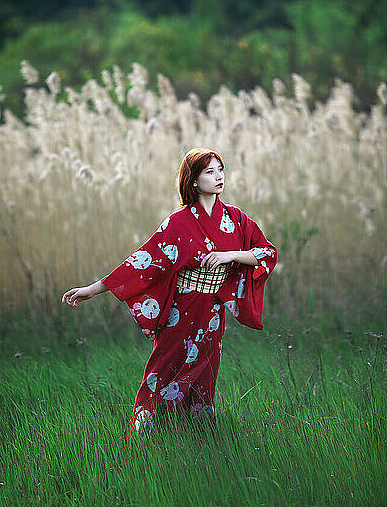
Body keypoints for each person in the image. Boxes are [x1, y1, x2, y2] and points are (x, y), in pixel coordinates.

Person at [62, 148, 277, 447]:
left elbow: (266, 253)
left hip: (213, 312)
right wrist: (93, 289)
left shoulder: (236, 219)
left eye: (220, 170)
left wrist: (229, 254)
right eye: (210, 172)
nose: (219, 177)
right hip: (183, 309)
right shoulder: (178, 223)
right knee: (161, 371)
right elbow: (141, 263)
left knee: (206, 374)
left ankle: (198, 438)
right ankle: (141, 435)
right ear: (193, 180)